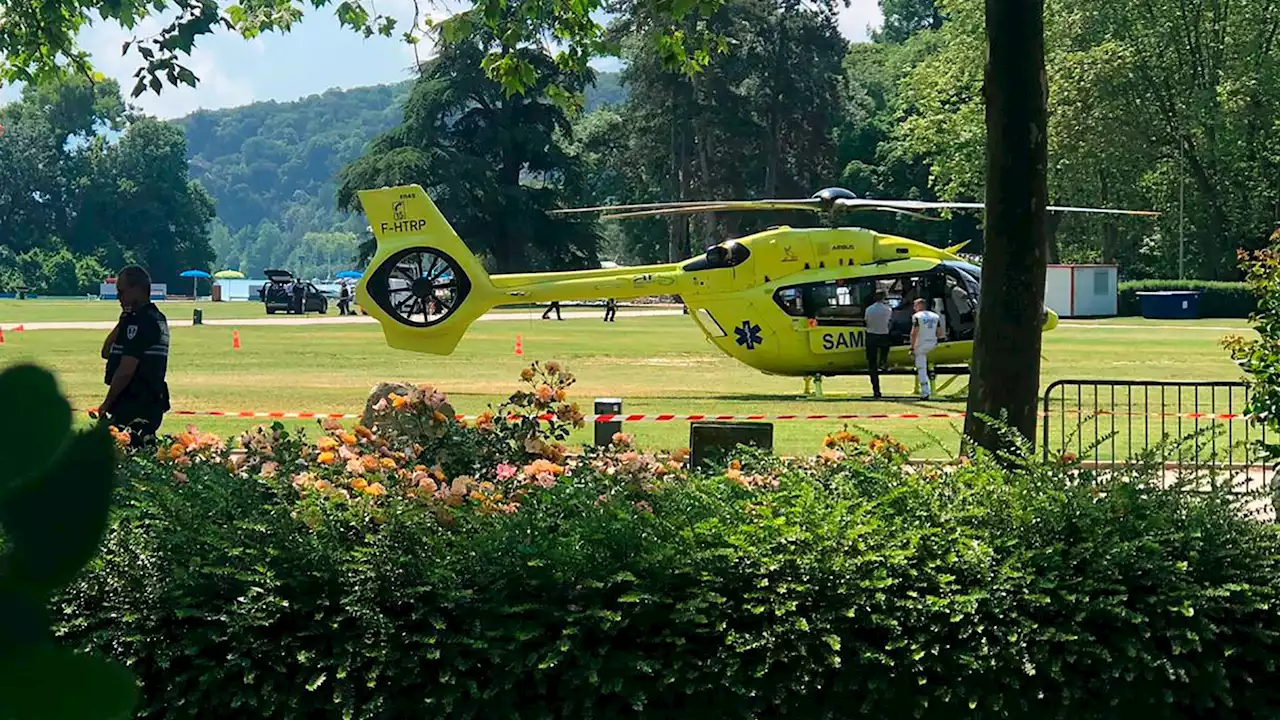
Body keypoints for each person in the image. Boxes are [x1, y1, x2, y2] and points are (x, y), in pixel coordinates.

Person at [99, 266, 171, 445]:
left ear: (137, 290)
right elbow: (106, 352)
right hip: (141, 401)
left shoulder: (143, 322)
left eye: (122, 292)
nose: (118, 298)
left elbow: (126, 369)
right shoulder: (139, 319)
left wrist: (106, 404)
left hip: (136, 402)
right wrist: (122, 322)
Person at [910, 297, 944, 401]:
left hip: (921, 344)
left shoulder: (917, 317)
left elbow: (914, 332)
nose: (914, 308)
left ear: (919, 306)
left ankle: (925, 392)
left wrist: (912, 347)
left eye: (915, 305)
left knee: (921, 368)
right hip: (932, 343)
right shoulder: (935, 316)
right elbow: (940, 332)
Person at [862, 291, 893, 399]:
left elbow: (866, 321)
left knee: (872, 365)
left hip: (871, 336)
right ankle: (883, 362)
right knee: (884, 353)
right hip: (884, 335)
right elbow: (890, 322)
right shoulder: (888, 309)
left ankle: (876, 391)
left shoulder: (869, 309)